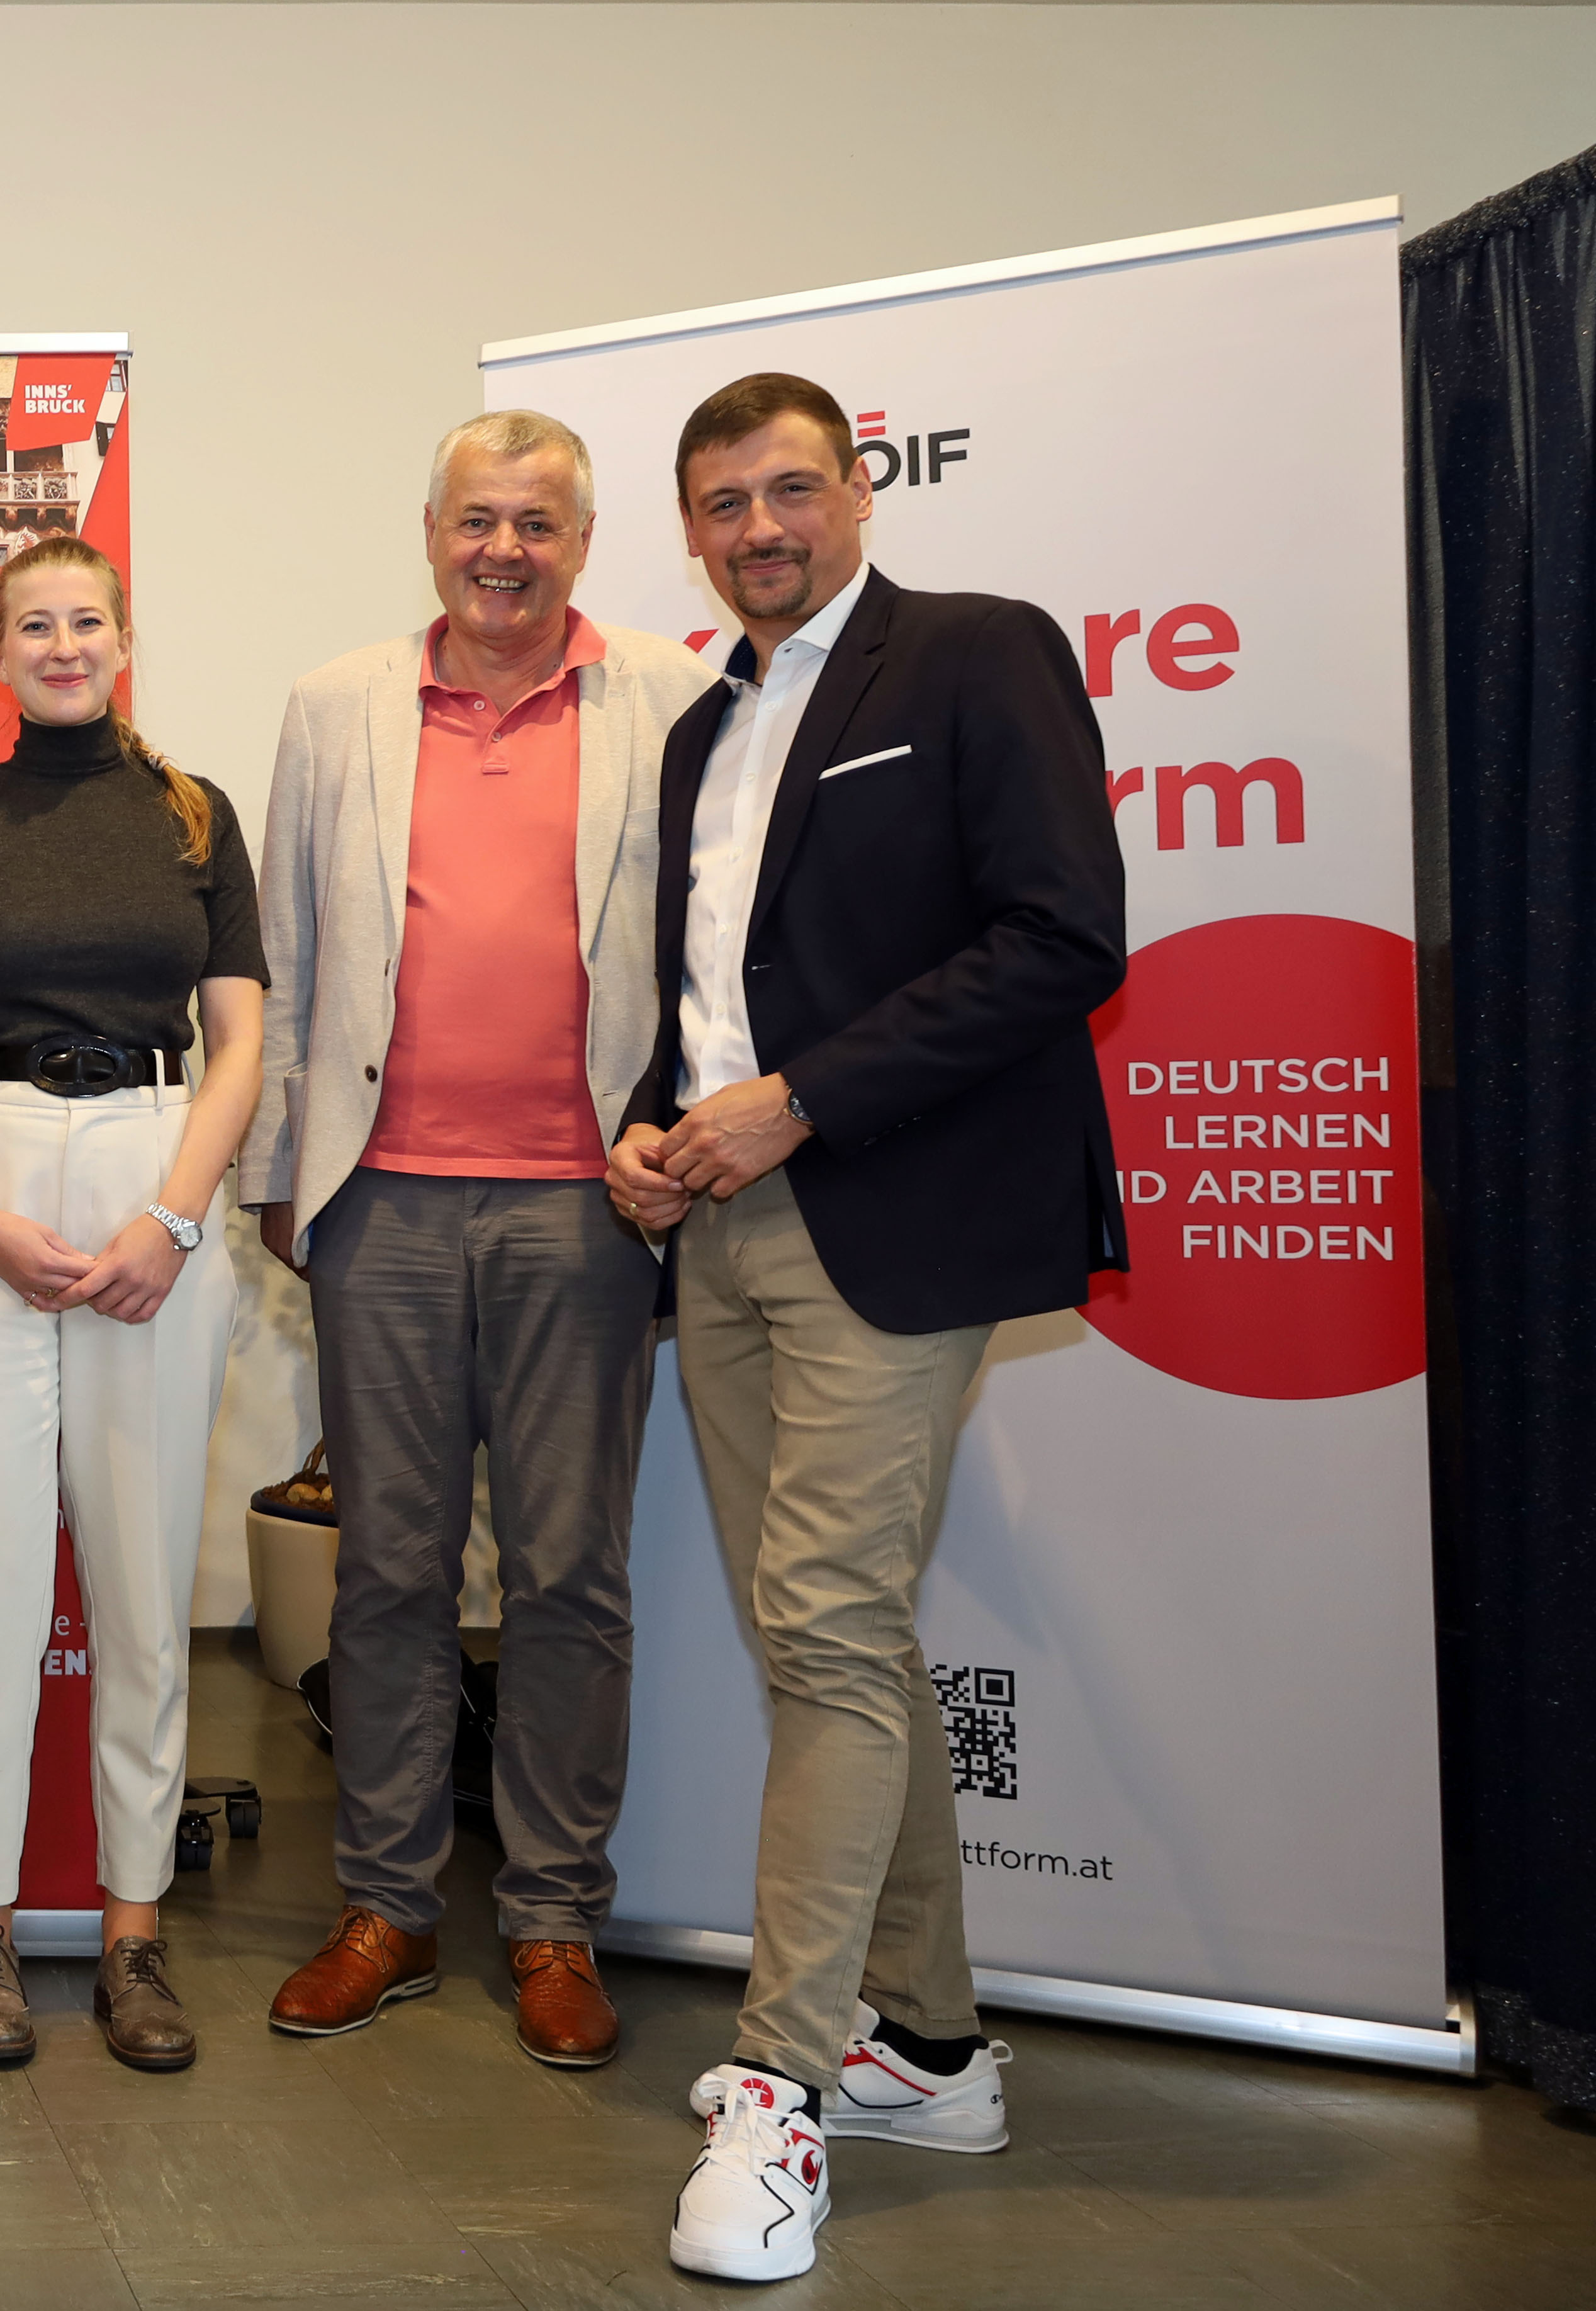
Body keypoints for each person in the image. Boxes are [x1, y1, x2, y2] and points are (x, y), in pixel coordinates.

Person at [606, 375, 1125, 2283]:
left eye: (793, 489)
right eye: (725, 502)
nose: (762, 527)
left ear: (861, 488)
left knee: (824, 1629)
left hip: (891, 1213)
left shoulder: (979, 660)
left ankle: (780, 2092)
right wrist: (662, 1132)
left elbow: (1068, 937)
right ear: (692, 529)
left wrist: (804, 1100)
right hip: (728, 1230)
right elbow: (716, 995)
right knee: (826, 1632)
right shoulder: (706, 723)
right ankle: (929, 2044)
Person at [243, 413, 717, 2071]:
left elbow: (712, 951)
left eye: (537, 523)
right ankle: (385, 1903)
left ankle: (554, 1921)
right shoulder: (335, 706)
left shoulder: (670, 696)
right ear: (429, 531)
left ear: (585, 542)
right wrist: (274, 1178)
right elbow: (291, 956)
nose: (502, 549)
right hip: (377, 1192)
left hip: (589, 1199)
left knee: (572, 1574)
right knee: (386, 1568)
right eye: (475, 520)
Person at [0, 534, 264, 2073]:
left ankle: (132, 1934)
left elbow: (235, 1043)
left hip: (157, 1175)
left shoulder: (195, 817)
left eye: (83, 621)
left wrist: (173, 1217)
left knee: (141, 1592)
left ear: (122, 639)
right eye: (30, 624)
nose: (59, 644)